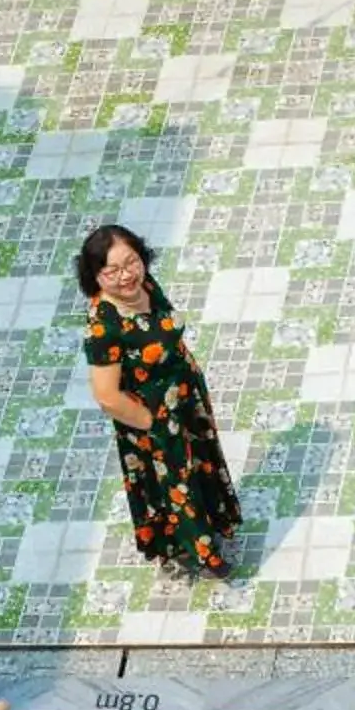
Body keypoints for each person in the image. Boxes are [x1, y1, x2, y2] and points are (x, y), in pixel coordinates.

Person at [78, 224, 242, 579]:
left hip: (184, 399)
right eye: (112, 271)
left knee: (199, 464)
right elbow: (106, 396)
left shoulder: (146, 285)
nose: (126, 276)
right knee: (173, 483)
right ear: (95, 276)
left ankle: (216, 521)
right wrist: (152, 424)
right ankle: (202, 552)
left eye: (131, 262)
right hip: (150, 417)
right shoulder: (103, 328)